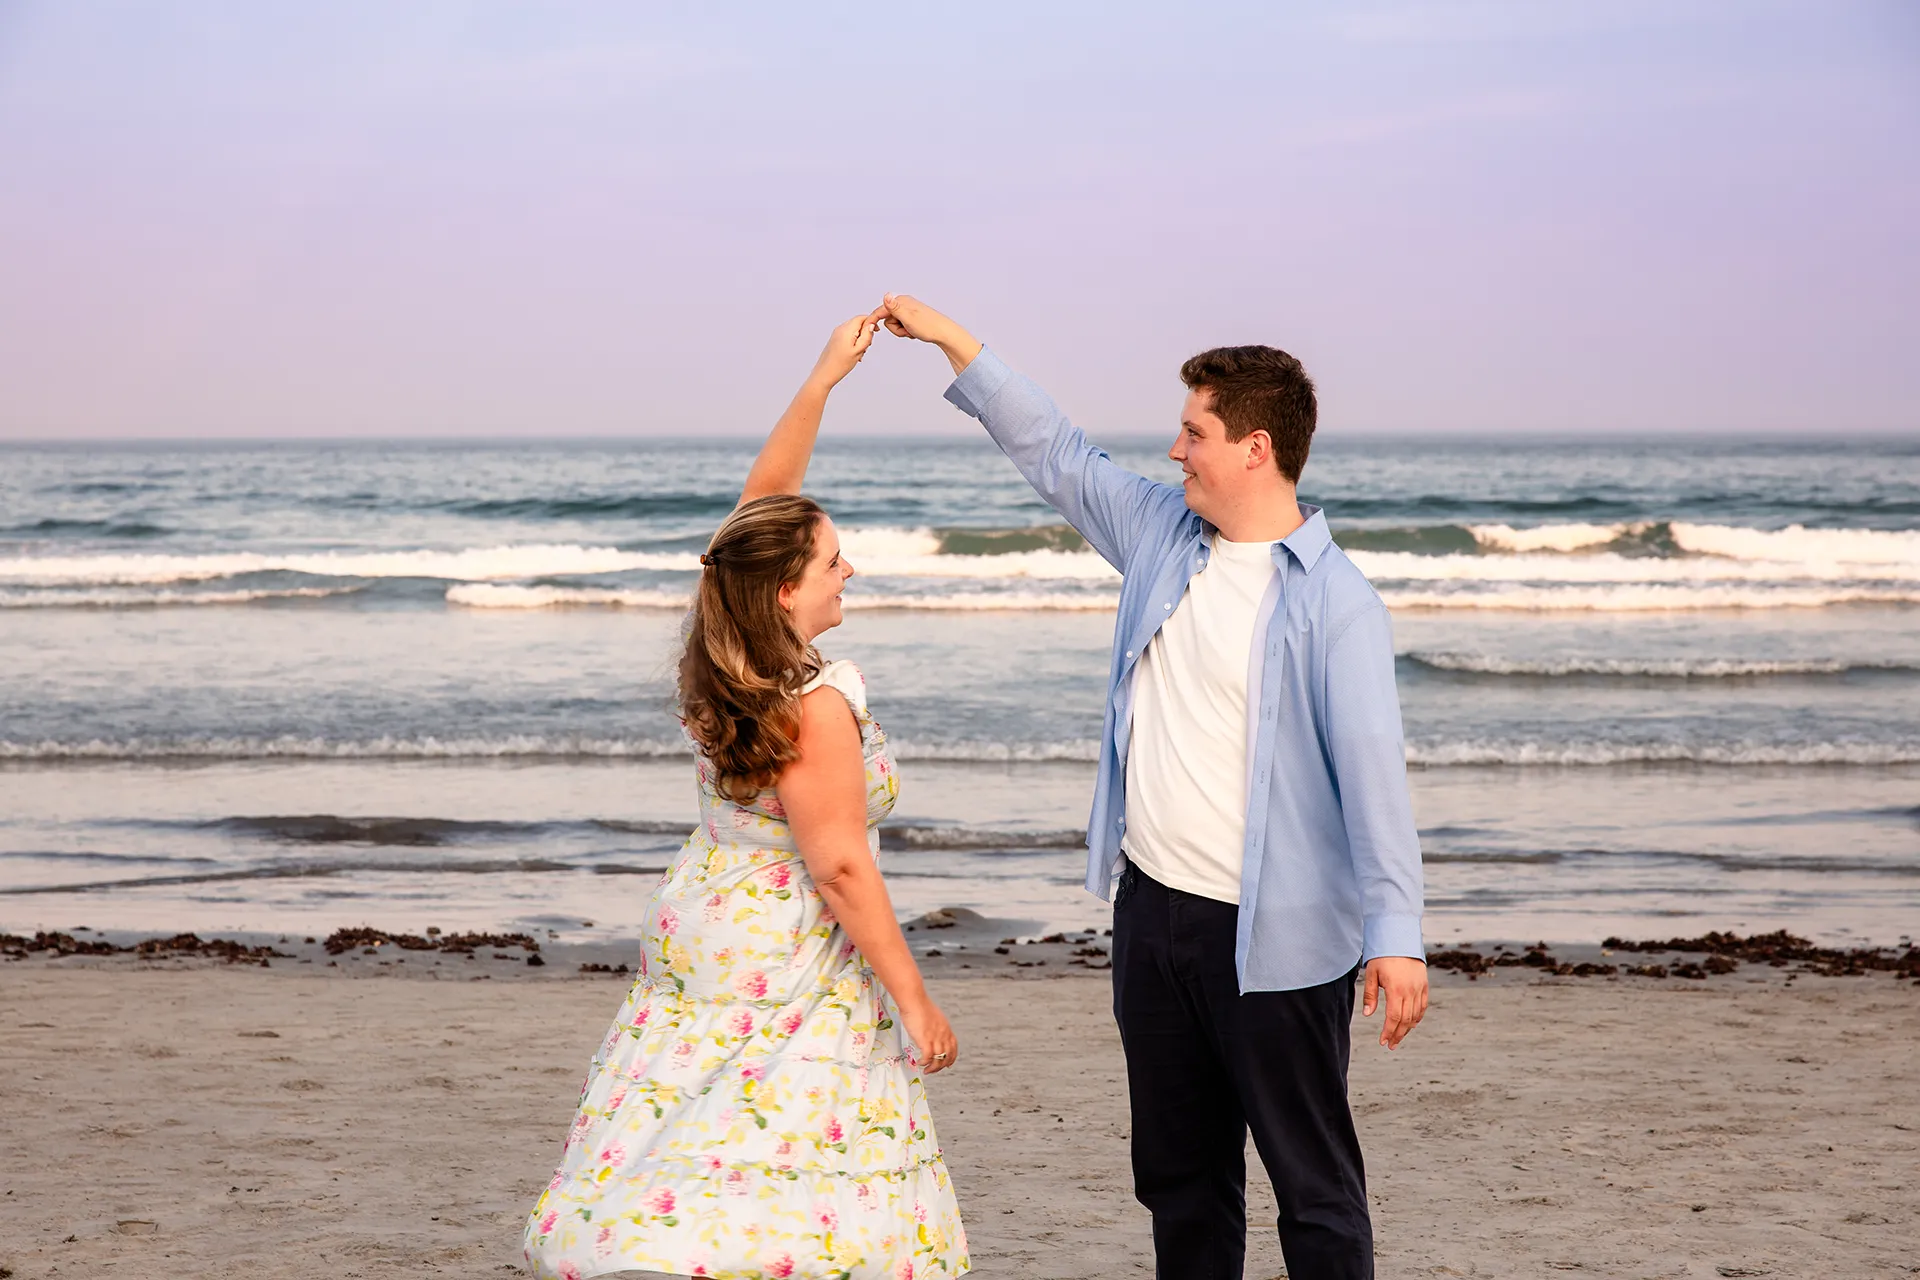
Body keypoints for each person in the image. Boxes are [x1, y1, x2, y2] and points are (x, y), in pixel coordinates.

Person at [877, 295, 1427, 1280]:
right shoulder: (1163, 537)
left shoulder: (1338, 604)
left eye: (1195, 431)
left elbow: (1373, 773)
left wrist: (1395, 935)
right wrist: (959, 343)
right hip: (1153, 916)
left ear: (1256, 446)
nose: (1176, 451)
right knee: (1179, 1180)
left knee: (1314, 1187)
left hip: (1279, 936)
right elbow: (1059, 454)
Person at [523, 313, 970, 1280]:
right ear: (782, 591)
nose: (849, 568)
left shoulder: (721, 655)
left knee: (691, 1099)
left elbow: (758, 515)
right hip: (788, 938)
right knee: (796, 1130)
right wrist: (914, 995)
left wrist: (821, 383)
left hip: (706, 914)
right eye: (832, 561)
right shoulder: (814, 702)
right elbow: (842, 866)